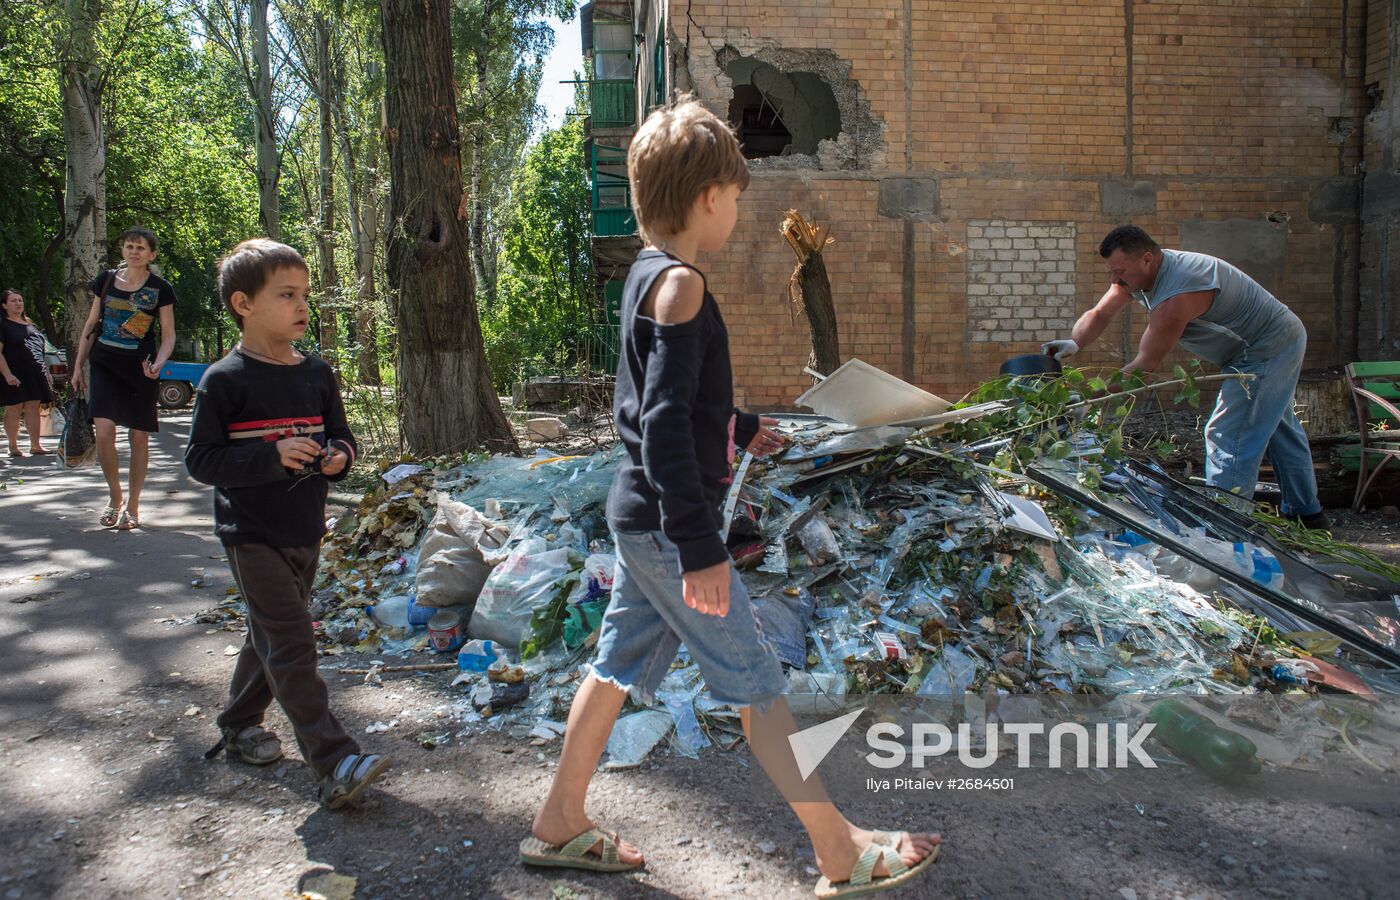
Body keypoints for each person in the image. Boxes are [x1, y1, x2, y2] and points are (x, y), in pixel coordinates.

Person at [519, 99, 940, 898]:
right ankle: (838, 850)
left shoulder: (647, 278)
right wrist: (701, 549)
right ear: (709, 195)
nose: (739, 211)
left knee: (612, 671)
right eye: (738, 196)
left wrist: (742, 426)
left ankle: (559, 818)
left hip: (641, 517)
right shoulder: (680, 286)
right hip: (669, 528)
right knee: (759, 686)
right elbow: (662, 427)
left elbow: (671, 402)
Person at [185, 238, 389, 809]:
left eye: (305, 295)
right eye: (287, 295)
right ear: (243, 304)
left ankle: (238, 721)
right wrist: (272, 457)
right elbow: (201, 461)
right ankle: (334, 760)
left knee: (271, 633)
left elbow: (342, 437)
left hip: (306, 528)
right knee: (293, 639)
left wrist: (339, 459)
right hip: (249, 531)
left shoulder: (318, 373)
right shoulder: (224, 380)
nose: (303, 306)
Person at [1043, 225, 1327, 528]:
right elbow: (1100, 313)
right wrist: (1076, 342)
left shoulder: (1177, 296)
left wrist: (1087, 398)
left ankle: (1226, 528)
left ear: (1147, 259)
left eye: (1120, 271)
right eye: (1112, 272)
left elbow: (1144, 366)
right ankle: (1308, 515)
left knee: (1231, 432)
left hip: (1269, 346)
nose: (1115, 280)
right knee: (1276, 426)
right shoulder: (1136, 276)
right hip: (1253, 346)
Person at [70, 227, 177, 529]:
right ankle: (114, 497)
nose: (134, 251)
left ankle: (133, 505)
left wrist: (158, 363)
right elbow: (91, 325)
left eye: (141, 248)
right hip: (104, 364)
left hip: (141, 368)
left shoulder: (161, 288)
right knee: (104, 430)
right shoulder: (105, 281)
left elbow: (168, 335)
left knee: (138, 436)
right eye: (129, 246)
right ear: (122, 250)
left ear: (151, 254)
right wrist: (78, 366)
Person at [0, 288, 54, 457]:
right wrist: (7, 374)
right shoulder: (3, 325)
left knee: (33, 406)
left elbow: (39, 351)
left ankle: (35, 445)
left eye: (20, 300)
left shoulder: (31, 325)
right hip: (14, 372)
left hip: (35, 373)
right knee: (14, 407)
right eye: (13, 301)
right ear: (4, 305)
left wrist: (47, 372)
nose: (18, 303)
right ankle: (13, 446)